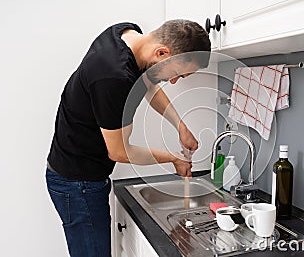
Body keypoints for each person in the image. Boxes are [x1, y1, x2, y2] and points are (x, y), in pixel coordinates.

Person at [46, 20, 211, 257]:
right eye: (177, 74)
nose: (174, 81)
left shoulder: (125, 34)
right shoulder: (114, 77)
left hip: (79, 174)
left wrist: (180, 126)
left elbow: (148, 83)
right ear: (162, 52)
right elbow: (120, 152)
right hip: (77, 183)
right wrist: (173, 159)